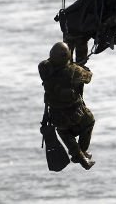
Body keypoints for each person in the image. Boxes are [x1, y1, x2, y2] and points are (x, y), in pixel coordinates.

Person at [38, 41, 96, 170]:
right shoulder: (74, 71)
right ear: (67, 56)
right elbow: (88, 77)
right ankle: (81, 154)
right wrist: (82, 67)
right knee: (89, 121)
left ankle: (79, 155)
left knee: (64, 132)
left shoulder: (43, 69)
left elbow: (48, 62)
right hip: (74, 114)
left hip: (56, 116)